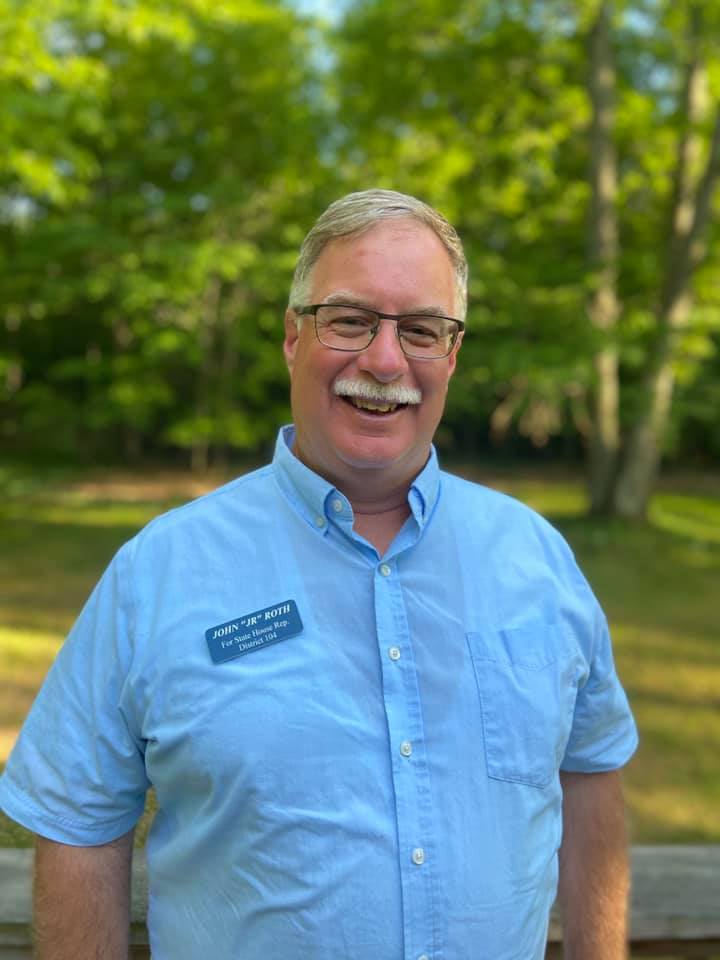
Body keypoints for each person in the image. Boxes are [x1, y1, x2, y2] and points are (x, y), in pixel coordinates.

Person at [0, 189, 638, 960]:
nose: (384, 360)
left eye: (421, 330)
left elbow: (592, 767)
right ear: (293, 336)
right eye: (350, 320)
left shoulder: (537, 559)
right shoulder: (159, 572)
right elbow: (76, 827)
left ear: (453, 354)